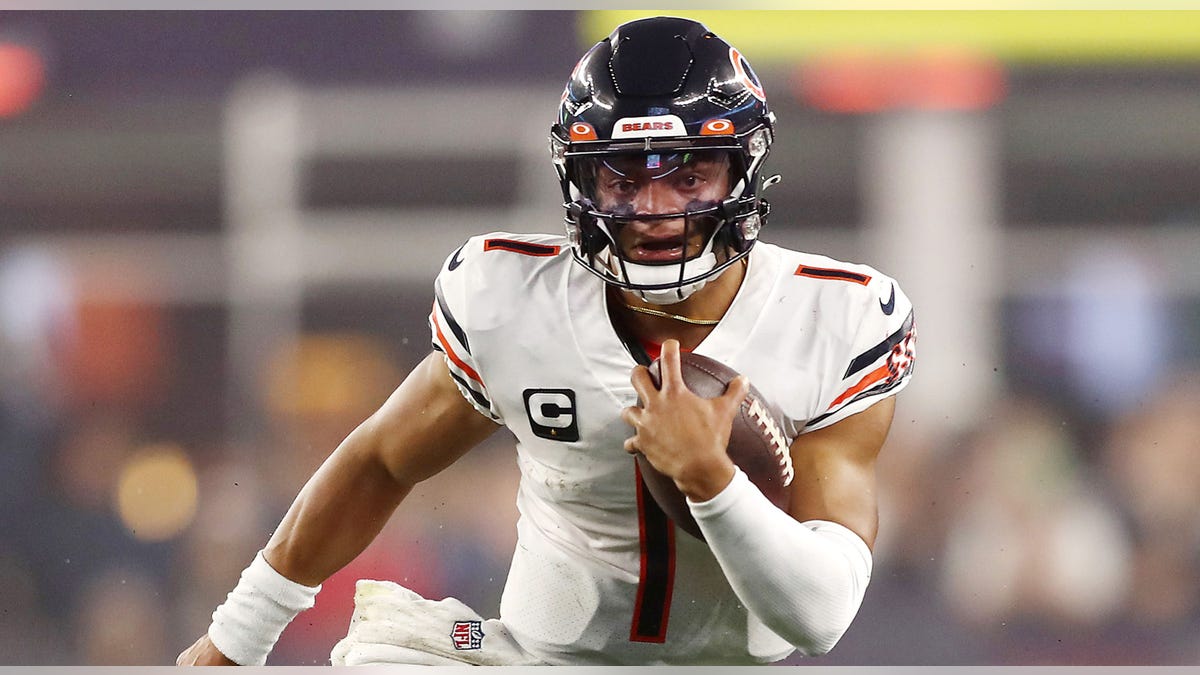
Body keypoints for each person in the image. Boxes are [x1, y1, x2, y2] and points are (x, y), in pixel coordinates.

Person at [177, 15, 916, 666]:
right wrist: (239, 632)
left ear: (742, 169)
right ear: (578, 180)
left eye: (688, 175)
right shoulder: (510, 300)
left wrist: (710, 479)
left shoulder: (839, 317)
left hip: (728, 667)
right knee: (388, 651)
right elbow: (378, 461)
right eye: (622, 178)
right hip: (528, 656)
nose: (655, 209)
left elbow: (820, 618)